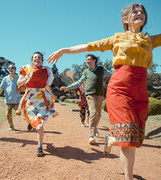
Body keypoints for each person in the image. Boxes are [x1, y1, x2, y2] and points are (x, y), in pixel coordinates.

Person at [47, 4, 161, 180]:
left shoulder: (150, 40)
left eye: (143, 12)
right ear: (125, 19)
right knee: (128, 139)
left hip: (139, 89)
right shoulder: (117, 38)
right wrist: (64, 50)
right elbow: (89, 46)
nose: (140, 14)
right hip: (120, 89)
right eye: (135, 12)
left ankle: (112, 139)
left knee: (134, 138)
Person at [60, 54, 110, 145]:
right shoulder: (86, 71)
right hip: (90, 94)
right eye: (86, 60)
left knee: (98, 115)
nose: (87, 61)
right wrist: (68, 87)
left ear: (94, 60)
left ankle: (94, 128)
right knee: (93, 112)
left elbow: (111, 74)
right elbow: (79, 82)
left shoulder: (101, 69)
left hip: (100, 95)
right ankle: (91, 136)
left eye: (89, 59)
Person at [17, 52, 58, 157]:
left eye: (39, 57)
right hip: (30, 97)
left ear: (42, 60)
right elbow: (19, 83)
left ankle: (39, 145)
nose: (37, 59)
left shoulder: (46, 70)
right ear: (32, 60)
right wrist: (26, 79)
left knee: (40, 123)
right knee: (36, 122)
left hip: (43, 99)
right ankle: (40, 147)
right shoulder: (26, 68)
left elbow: (46, 85)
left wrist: (52, 95)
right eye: (35, 57)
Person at [0, 64, 26, 130]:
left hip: (17, 101)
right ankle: (11, 126)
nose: (10, 69)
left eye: (12, 68)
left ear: (15, 69)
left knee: (21, 113)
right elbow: (0, 88)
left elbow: (24, 87)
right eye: (9, 68)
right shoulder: (5, 79)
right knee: (8, 115)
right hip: (8, 101)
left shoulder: (19, 78)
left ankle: (30, 123)